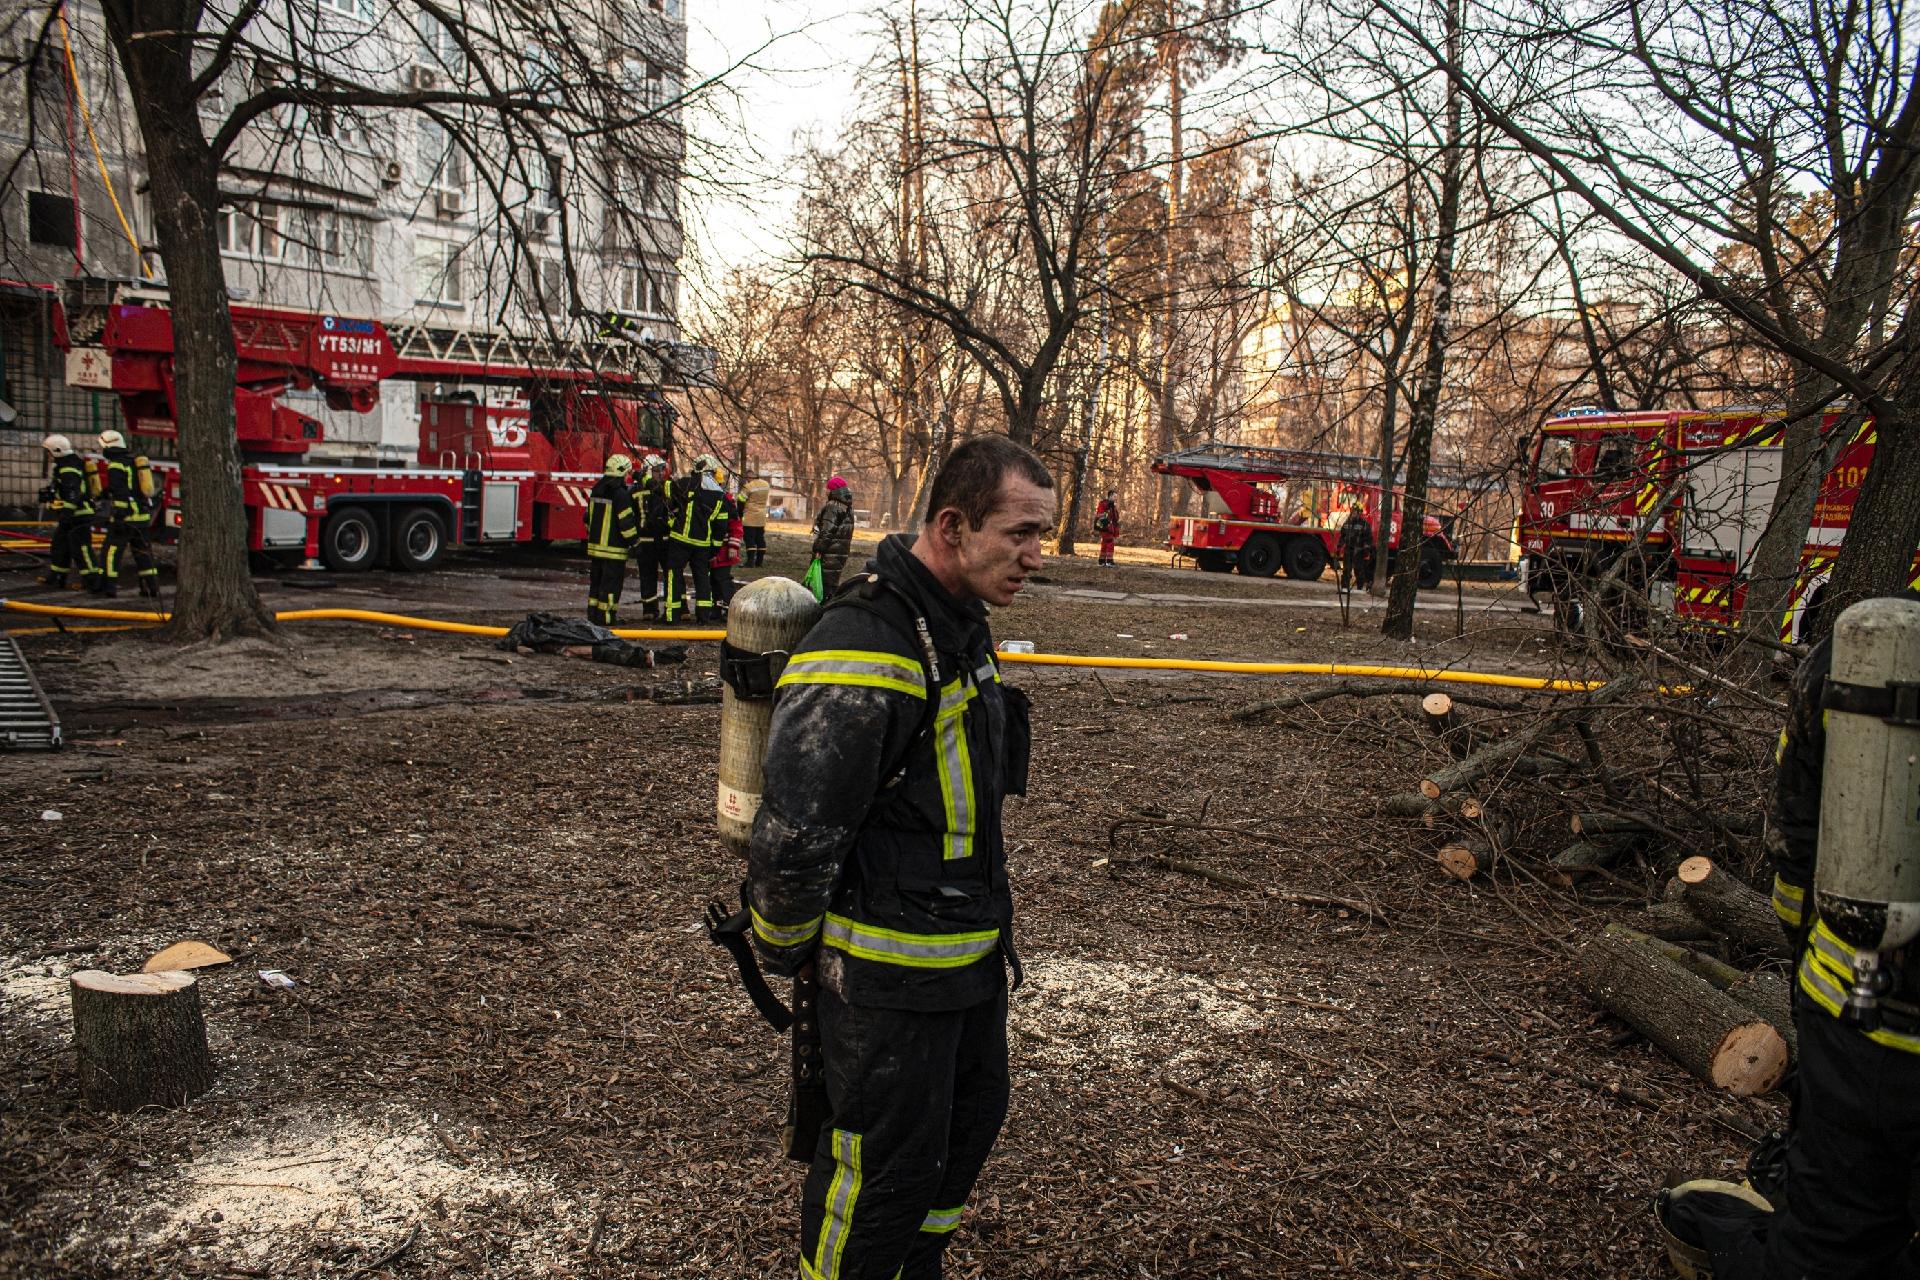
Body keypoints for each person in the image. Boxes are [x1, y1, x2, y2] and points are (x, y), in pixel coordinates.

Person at [747, 433, 1054, 1280]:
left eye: (1042, 535)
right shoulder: (870, 640)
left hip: (966, 968)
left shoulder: (957, 626)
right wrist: (783, 948)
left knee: (958, 1147)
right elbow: (798, 831)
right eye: (1019, 533)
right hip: (887, 985)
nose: (1036, 556)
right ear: (953, 526)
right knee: (879, 1181)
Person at [1658, 593, 1920, 1280]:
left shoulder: (1857, 656)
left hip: (1860, 1015)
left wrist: (1808, 954)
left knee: (1835, 1235)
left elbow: (1794, 833)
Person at [98, 429, 160, 598]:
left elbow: (121, 493)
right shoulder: (133, 461)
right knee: (143, 552)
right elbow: (133, 486)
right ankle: (151, 587)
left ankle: (109, 587)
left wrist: (118, 516)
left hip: (126, 518)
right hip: (142, 518)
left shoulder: (116, 465)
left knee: (111, 552)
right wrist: (107, 491)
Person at [584, 453, 643, 626]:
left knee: (596, 585)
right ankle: (607, 618)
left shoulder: (597, 489)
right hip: (614, 551)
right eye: (627, 473)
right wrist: (635, 542)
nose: (628, 477)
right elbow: (626, 523)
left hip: (595, 549)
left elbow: (588, 518)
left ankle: (593, 616)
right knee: (611, 586)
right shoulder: (620, 495)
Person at [665, 453, 724, 623]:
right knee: (702, 578)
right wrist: (714, 548)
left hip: (680, 539)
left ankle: (672, 615)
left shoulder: (686, 483)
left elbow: (667, 489)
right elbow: (718, 524)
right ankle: (703, 616)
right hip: (702, 543)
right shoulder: (719, 494)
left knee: (674, 575)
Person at [38, 434, 101, 592]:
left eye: (49, 452)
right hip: (72, 514)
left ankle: (92, 582)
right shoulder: (67, 465)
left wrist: (66, 513)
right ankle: (57, 576)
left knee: (81, 549)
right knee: (60, 545)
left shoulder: (68, 469)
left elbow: (73, 494)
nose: (48, 456)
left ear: (56, 451)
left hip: (79, 515)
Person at [633, 454, 673, 619]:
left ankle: (660, 610)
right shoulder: (660, 489)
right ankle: (650, 610)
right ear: (649, 472)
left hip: (656, 540)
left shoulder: (637, 490)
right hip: (654, 540)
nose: (661, 473)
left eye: (661, 470)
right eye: (657, 471)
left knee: (657, 575)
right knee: (649, 576)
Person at [812, 474, 856, 596]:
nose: (826, 491)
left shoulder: (832, 506)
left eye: (828, 488)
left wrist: (819, 549)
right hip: (840, 552)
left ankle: (824, 609)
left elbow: (827, 530)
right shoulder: (847, 506)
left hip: (829, 552)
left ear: (833, 490)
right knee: (832, 582)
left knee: (823, 585)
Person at [708, 469, 745, 609]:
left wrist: (733, 547)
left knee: (722, 578)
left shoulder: (726, 500)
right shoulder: (709, 498)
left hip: (723, 550)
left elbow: (736, 525)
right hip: (712, 548)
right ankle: (717, 608)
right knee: (713, 580)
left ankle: (730, 606)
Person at [1337, 510, 1375, 591]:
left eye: (1355, 512)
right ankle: (1344, 587)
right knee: (1346, 569)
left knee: (1359, 569)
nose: (1353, 514)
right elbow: (1342, 536)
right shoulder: (1347, 523)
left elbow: (1368, 538)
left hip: (1359, 551)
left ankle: (1359, 588)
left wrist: (1366, 549)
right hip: (1348, 550)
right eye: (1352, 512)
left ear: (1359, 514)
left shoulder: (1364, 524)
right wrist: (1339, 547)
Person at [742, 473, 772, 567]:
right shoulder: (766, 484)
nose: (747, 480)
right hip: (761, 516)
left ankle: (750, 562)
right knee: (760, 539)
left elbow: (740, 500)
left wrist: (739, 514)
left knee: (749, 539)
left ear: (750, 477)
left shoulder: (748, 486)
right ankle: (759, 562)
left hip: (749, 517)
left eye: (747, 478)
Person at [1093, 490, 1120, 567]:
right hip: (1106, 528)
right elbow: (1101, 515)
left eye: (1116, 497)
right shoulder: (1104, 504)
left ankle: (1101, 561)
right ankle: (1109, 561)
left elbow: (1115, 517)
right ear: (1110, 496)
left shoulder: (1112, 505)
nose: (1115, 498)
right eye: (1114, 496)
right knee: (1110, 543)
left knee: (1105, 544)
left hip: (1110, 528)